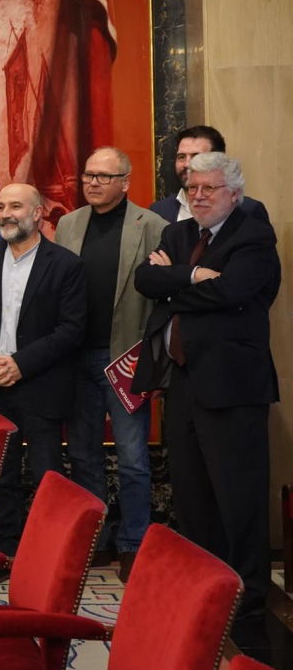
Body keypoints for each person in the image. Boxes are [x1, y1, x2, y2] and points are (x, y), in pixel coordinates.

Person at [132, 152, 280, 632]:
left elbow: (232, 292)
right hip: (182, 381)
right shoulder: (178, 234)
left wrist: (172, 285)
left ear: (234, 194)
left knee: (238, 496)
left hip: (233, 385)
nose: (197, 196)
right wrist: (193, 275)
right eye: (192, 188)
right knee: (191, 493)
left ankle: (247, 595)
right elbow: (145, 280)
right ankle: (204, 585)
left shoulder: (253, 235)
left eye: (208, 189)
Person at [54, 148, 167, 581]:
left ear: (126, 182)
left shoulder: (151, 225)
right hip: (75, 358)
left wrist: (155, 363)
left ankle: (133, 543)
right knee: (83, 455)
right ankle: (95, 540)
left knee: (133, 457)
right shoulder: (68, 224)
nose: (94, 183)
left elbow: (163, 299)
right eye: (88, 175)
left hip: (126, 359)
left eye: (104, 176)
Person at [0, 183, 86, 557]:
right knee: (0, 476)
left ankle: (46, 556)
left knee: (47, 475)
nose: (5, 214)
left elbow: (71, 330)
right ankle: (6, 550)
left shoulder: (65, 265)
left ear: (37, 213)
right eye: (1, 207)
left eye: (15, 206)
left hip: (42, 386)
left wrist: (19, 364)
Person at [150, 125, 268, 224]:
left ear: (218, 160)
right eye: (181, 157)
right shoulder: (158, 211)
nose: (187, 164)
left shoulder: (248, 210)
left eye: (196, 156)